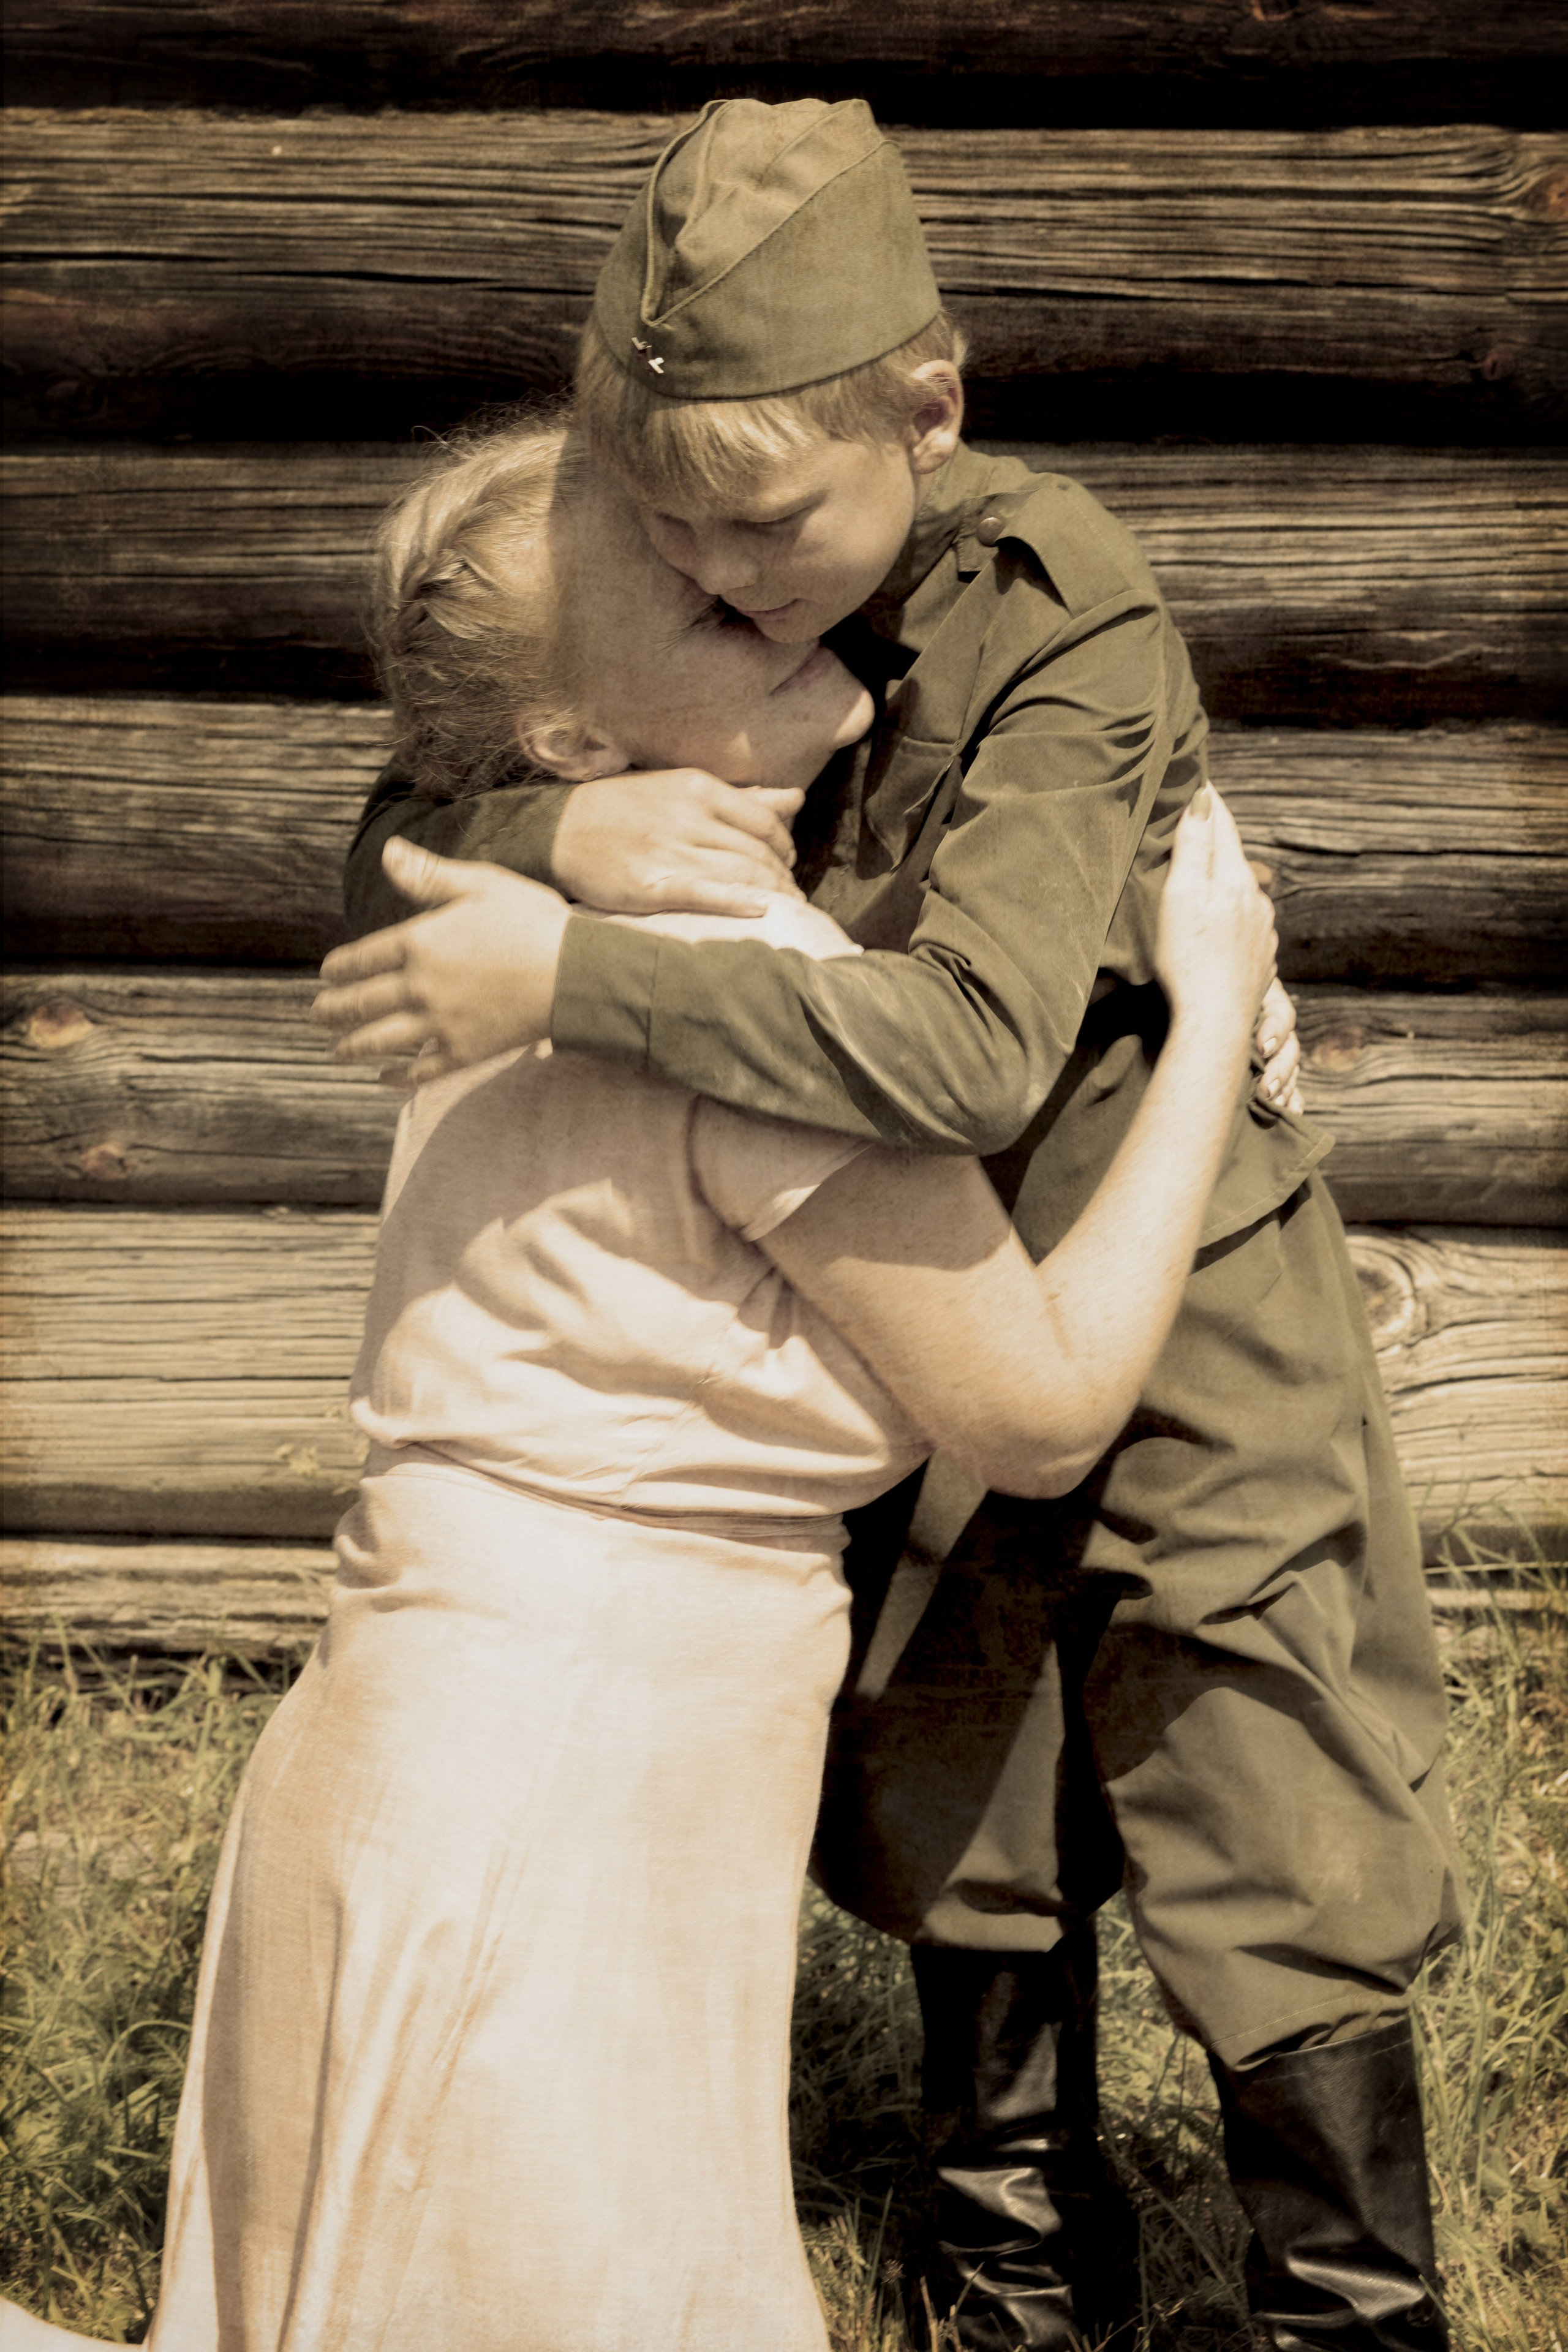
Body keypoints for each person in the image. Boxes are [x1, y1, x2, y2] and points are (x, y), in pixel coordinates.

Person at [319, 102, 1464, 2352]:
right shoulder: (720, 581)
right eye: (666, 542)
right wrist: (559, 827)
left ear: (929, 410)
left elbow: (968, 1054)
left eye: (756, 529)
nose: (722, 588)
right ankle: (1008, 2278)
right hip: (896, 1321)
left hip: (1172, 1287)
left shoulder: (1060, 606)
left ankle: (1351, 2308)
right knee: (968, 1785)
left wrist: (572, 965)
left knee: (1267, 1792)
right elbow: (378, 846)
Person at [0, 416, 1281, 2352]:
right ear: (573, 750)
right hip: (563, 1794)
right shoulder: (723, 979)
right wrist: (1205, 1016)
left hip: (418, 1754)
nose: (759, 593)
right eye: (687, 598)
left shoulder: (496, 938)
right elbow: (1035, 1403)